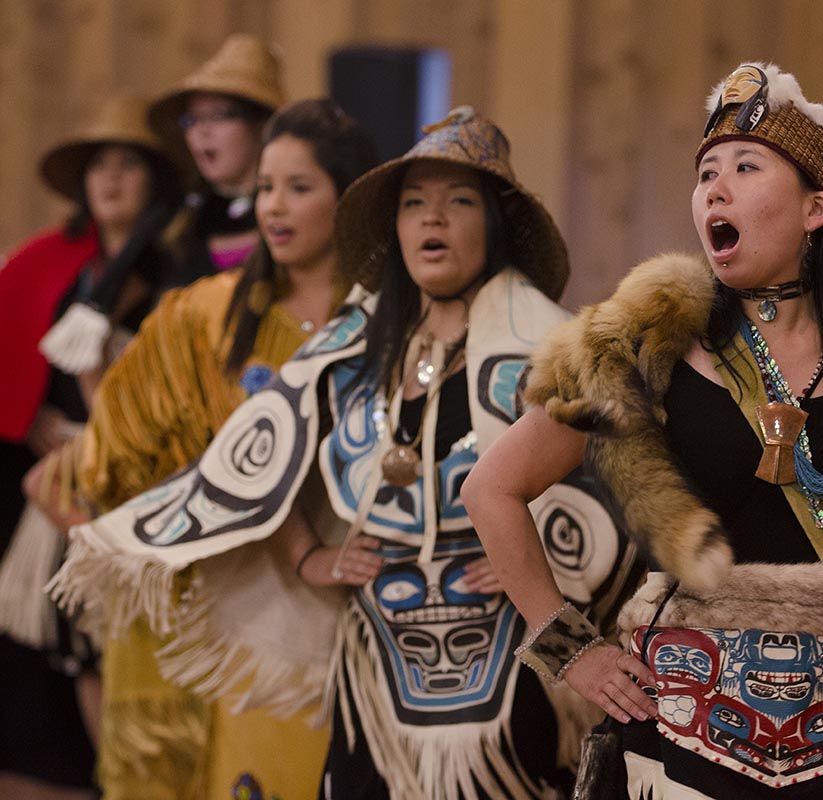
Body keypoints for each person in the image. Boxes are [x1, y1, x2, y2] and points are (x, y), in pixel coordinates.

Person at [461, 63, 823, 799]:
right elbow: (492, 488)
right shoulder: (648, 343)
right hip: (673, 745)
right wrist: (569, 648)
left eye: (746, 167)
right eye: (706, 172)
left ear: (816, 209)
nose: (716, 186)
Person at [53, 107, 639, 800]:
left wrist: (532, 546)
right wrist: (308, 555)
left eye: (457, 202)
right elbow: (257, 462)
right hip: (377, 665)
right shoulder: (354, 346)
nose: (433, 220)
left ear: (496, 223)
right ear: (394, 227)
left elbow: (618, 484)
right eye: (414, 204)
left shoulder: (554, 347)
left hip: (511, 660)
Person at [41, 98, 378, 800]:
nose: (274, 207)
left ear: (347, 198)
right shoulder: (203, 318)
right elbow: (107, 453)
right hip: (219, 610)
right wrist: (108, 518)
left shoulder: (387, 318)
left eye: (298, 187)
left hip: (354, 609)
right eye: (264, 188)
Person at [0, 92, 181, 798]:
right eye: (98, 165)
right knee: (80, 651)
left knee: (131, 650)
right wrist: (36, 417)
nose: (110, 179)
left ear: (153, 180)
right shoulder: (64, 268)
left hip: (137, 482)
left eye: (127, 165)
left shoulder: (172, 275)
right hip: (64, 480)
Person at [149, 32, 285, 287]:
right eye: (192, 119)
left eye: (219, 115)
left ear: (261, 125)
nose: (202, 130)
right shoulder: (179, 222)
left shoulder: (288, 213)